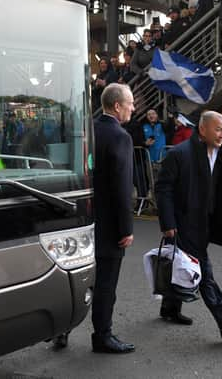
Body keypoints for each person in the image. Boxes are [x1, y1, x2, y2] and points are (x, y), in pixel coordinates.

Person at [155, 111, 222, 342]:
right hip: (184, 222)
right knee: (204, 272)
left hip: (205, 222)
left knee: (180, 263)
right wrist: (168, 223)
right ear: (202, 129)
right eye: (218, 129)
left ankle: (170, 308)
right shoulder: (180, 153)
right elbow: (163, 189)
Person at [92, 83, 136, 354]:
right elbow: (122, 186)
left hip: (84, 218)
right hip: (109, 224)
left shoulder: (89, 129)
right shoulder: (120, 136)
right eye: (130, 103)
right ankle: (102, 336)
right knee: (106, 284)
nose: (133, 107)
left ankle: (63, 332)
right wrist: (126, 228)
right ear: (117, 106)